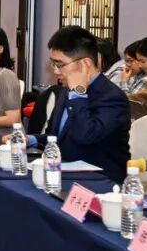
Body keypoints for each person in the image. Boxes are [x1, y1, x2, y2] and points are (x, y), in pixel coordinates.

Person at [23, 26, 131, 182]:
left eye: (60, 65)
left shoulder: (112, 97)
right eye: (53, 64)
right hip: (63, 174)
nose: (56, 71)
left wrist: (78, 93)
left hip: (99, 182)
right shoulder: (67, 91)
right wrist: (30, 139)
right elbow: (59, 138)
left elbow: (85, 136)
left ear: (85, 64)